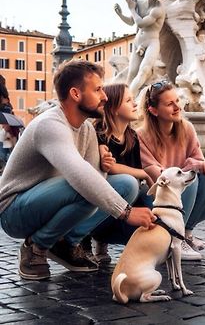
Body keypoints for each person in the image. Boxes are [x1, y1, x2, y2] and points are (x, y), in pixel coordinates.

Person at [0, 60, 155, 281]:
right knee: (82, 183)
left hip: (49, 201)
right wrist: (126, 212)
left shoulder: (86, 130)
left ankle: (66, 244)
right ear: (75, 93)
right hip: (13, 211)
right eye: (98, 89)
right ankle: (35, 249)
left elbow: (96, 179)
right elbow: (78, 174)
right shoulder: (50, 124)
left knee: (126, 185)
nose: (105, 97)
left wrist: (103, 165)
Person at [137, 81, 205, 260]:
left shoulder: (187, 128)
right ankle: (176, 239)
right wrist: (197, 165)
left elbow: (199, 161)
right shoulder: (141, 136)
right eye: (170, 104)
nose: (177, 107)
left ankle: (186, 233)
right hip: (156, 197)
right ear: (154, 110)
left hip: (179, 193)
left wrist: (204, 167)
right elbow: (157, 175)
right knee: (189, 181)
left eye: (177, 101)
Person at [85, 83, 152, 264]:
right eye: (129, 100)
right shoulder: (99, 132)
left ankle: (106, 238)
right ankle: (90, 237)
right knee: (128, 183)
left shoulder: (132, 136)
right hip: (102, 202)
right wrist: (144, 173)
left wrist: (144, 175)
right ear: (113, 108)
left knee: (150, 203)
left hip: (124, 201)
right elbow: (112, 169)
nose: (135, 104)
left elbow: (135, 174)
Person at [114, 0, 167, 96]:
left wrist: (131, 8)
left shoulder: (158, 9)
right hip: (138, 42)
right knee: (131, 73)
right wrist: (120, 14)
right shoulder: (140, 4)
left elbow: (141, 23)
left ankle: (128, 98)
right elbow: (131, 21)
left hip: (152, 43)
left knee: (144, 71)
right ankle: (124, 99)